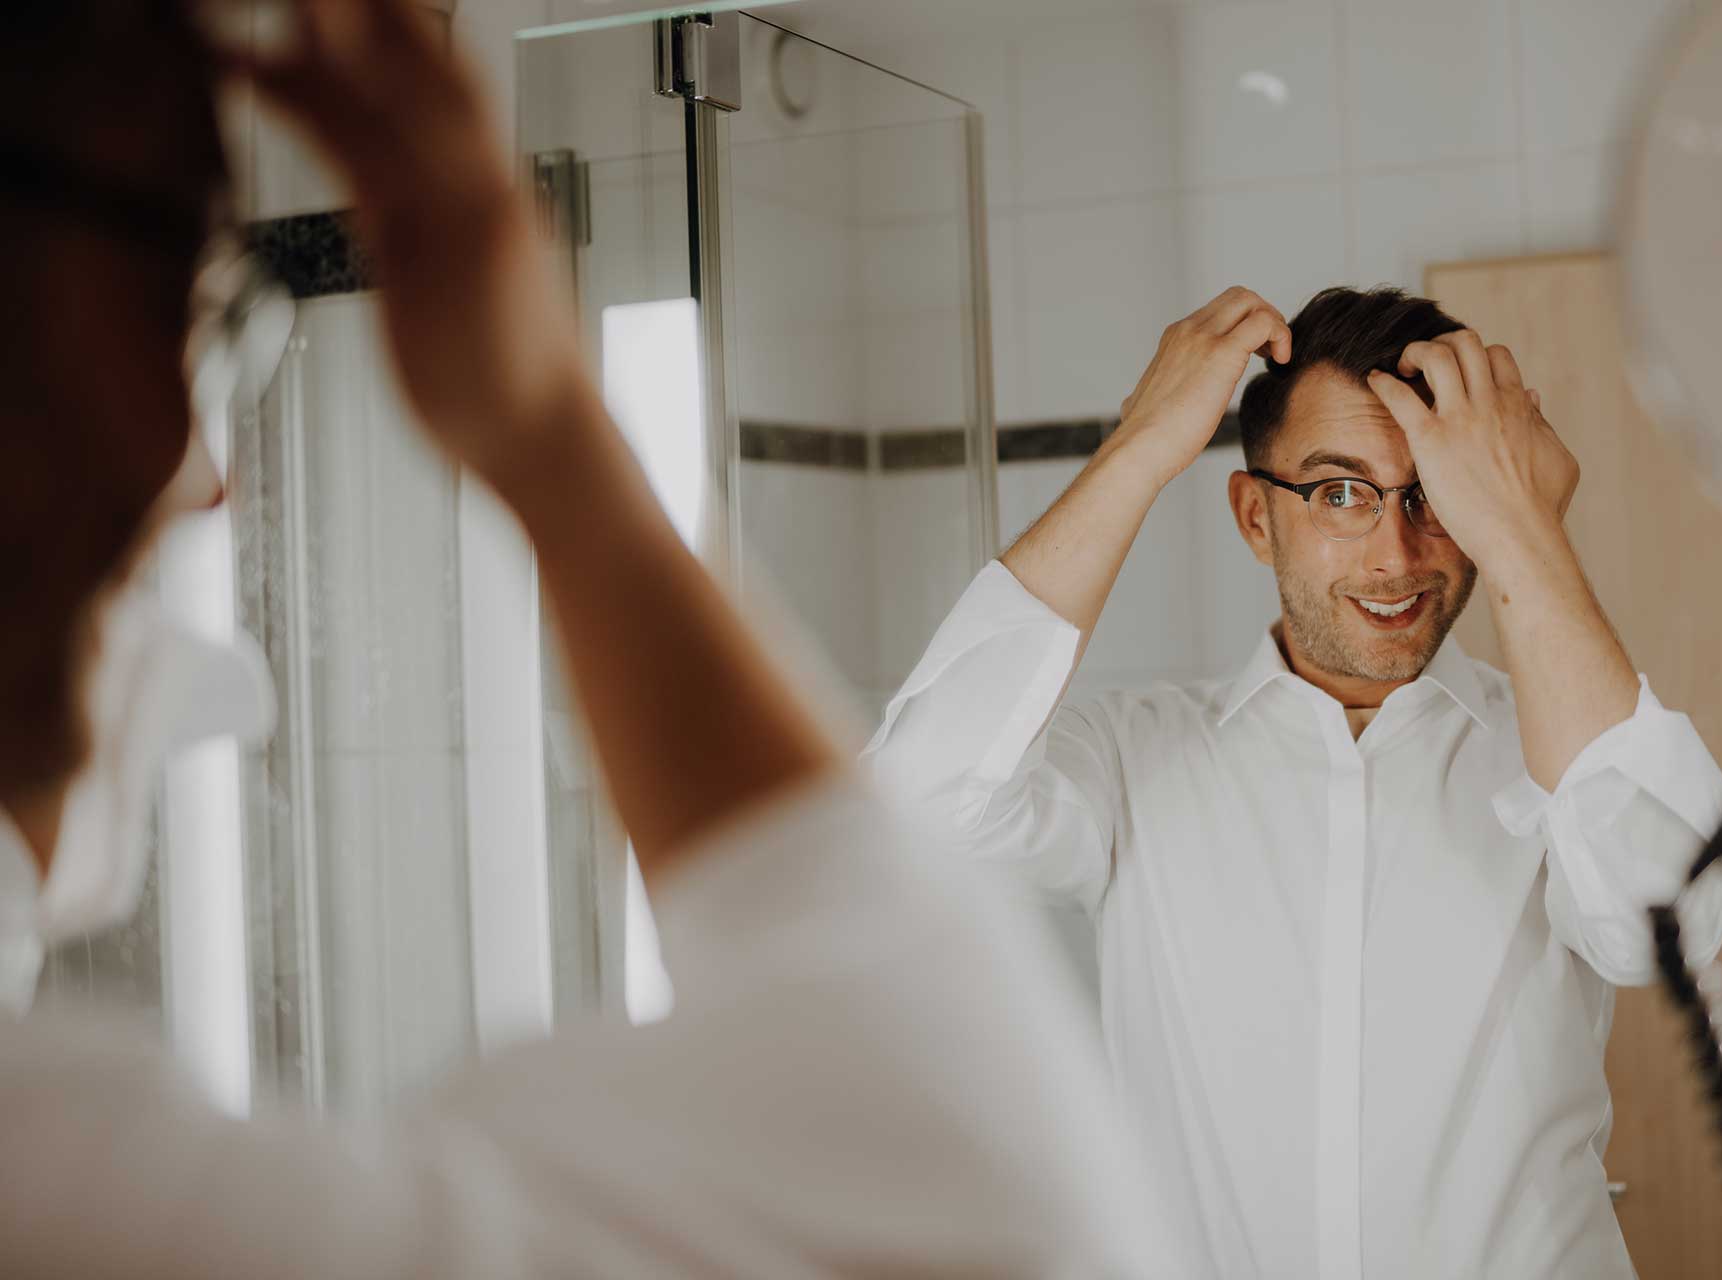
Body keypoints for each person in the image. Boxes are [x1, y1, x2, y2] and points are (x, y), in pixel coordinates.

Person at [0, 2, 1178, 1274]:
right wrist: (546, 430)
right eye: (201, 302)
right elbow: (995, 1213)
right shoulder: (79, 1186)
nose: (204, 470)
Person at [864, 283, 1722, 1278]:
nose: (1396, 554)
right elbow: (913, 799)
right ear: (1258, 517)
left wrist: (1524, 528)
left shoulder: (1559, 750)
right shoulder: (1133, 759)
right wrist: (1142, 447)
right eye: (1341, 492)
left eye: (1433, 494)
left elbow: (1660, 925)